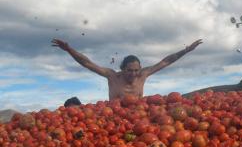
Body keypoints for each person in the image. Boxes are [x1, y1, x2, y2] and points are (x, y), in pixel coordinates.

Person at [51, 39, 202, 101]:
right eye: (130, 70)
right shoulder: (112, 76)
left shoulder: (143, 75)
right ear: (122, 69)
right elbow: (88, 63)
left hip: (138, 118)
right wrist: (69, 50)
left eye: (136, 70)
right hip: (116, 118)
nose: (133, 74)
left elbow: (166, 61)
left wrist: (186, 51)